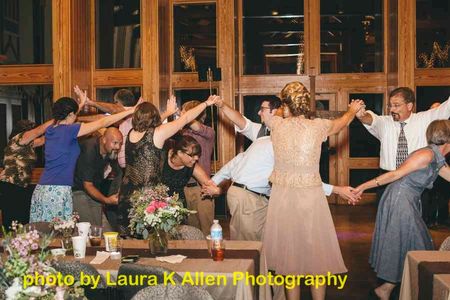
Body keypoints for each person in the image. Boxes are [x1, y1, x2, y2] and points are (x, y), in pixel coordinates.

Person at [262, 82, 364, 300]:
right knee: (317, 256)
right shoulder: (319, 126)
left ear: (285, 105)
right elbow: (342, 123)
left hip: (283, 199)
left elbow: (268, 115)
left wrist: (282, 109)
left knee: (287, 259)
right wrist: (352, 111)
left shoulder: (276, 124)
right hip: (310, 198)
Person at [208, 95, 360, 242]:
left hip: (257, 197)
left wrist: (214, 181)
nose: (258, 113)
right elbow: (240, 123)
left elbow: (297, 176)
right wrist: (222, 105)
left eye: (262, 109)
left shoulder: (280, 137)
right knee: (249, 246)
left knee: (264, 242)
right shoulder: (263, 133)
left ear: (276, 111)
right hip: (247, 196)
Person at [353, 120, 450, 300]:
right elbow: (395, 174)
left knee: (410, 244)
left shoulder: (437, 159)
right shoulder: (426, 155)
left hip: (407, 199)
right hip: (399, 199)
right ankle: (410, 291)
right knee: (420, 245)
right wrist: (362, 187)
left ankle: (386, 290)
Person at [29, 86, 138, 222]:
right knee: (56, 236)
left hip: (43, 189)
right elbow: (103, 122)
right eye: (74, 114)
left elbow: (67, 117)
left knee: (46, 236)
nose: (76, 117)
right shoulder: (69, 131)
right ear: (70, 115)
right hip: (57, 191)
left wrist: (80, 104)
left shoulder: (52, 129)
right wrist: (132, 111)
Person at [117, 95, 220, 235]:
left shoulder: (130, 134)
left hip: (127, 193)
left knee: (129, 237)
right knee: (153, 237)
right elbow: (185, 118)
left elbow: (149, 123)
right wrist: (206, 103)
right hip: (147, 196)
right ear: (155, 118)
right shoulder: (157, 134)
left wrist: (167, 113)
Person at [355, 87, 450, 201]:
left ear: (409, 106)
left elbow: (447, 107)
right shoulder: (384, 123)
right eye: (390, 105)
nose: (392, 109)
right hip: (387, 181)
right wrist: (361, 115)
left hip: (416, 182)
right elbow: (370, 119)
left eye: (396, 105)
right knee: (387, 217)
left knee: (417, 218)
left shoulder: (425, 119)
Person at [0, 119, 53, 228]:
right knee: (13, 225)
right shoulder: (19, 139)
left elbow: (43, 139)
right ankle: (10, 244)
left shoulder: (27, 144)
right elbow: (39, 131)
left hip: (21, 186)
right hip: (11, 186)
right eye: (30, 130)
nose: (32, 134)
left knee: (23, 223)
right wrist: (59, 116)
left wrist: (61, 125)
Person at [72, 127, 123, 228]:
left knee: (106, 232)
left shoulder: (110, 151)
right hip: (78, 192)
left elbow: (119, 171)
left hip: (93, 191)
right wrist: (107, 200)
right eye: (115, 143)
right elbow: (87, 185)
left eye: (120, 144)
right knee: (92, 229)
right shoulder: (89, 149)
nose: (118, 147)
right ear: (104, 140)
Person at [180, 100, 216, 235]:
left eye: (185, 112)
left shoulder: (208, 133)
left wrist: (183, 115)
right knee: (191, 232)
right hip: (184, 188)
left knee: (207, 231)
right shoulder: (181, 133)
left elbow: (195, 125)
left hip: (202, 189)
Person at [161, 135, 219, 209]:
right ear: (180, 153)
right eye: (192, 155)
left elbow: (210, 186)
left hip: (178, 205)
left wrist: (216, 190)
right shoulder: (161, 158)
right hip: (157, 202)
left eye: (197, 155)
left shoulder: (193, 167)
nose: (196, 158)